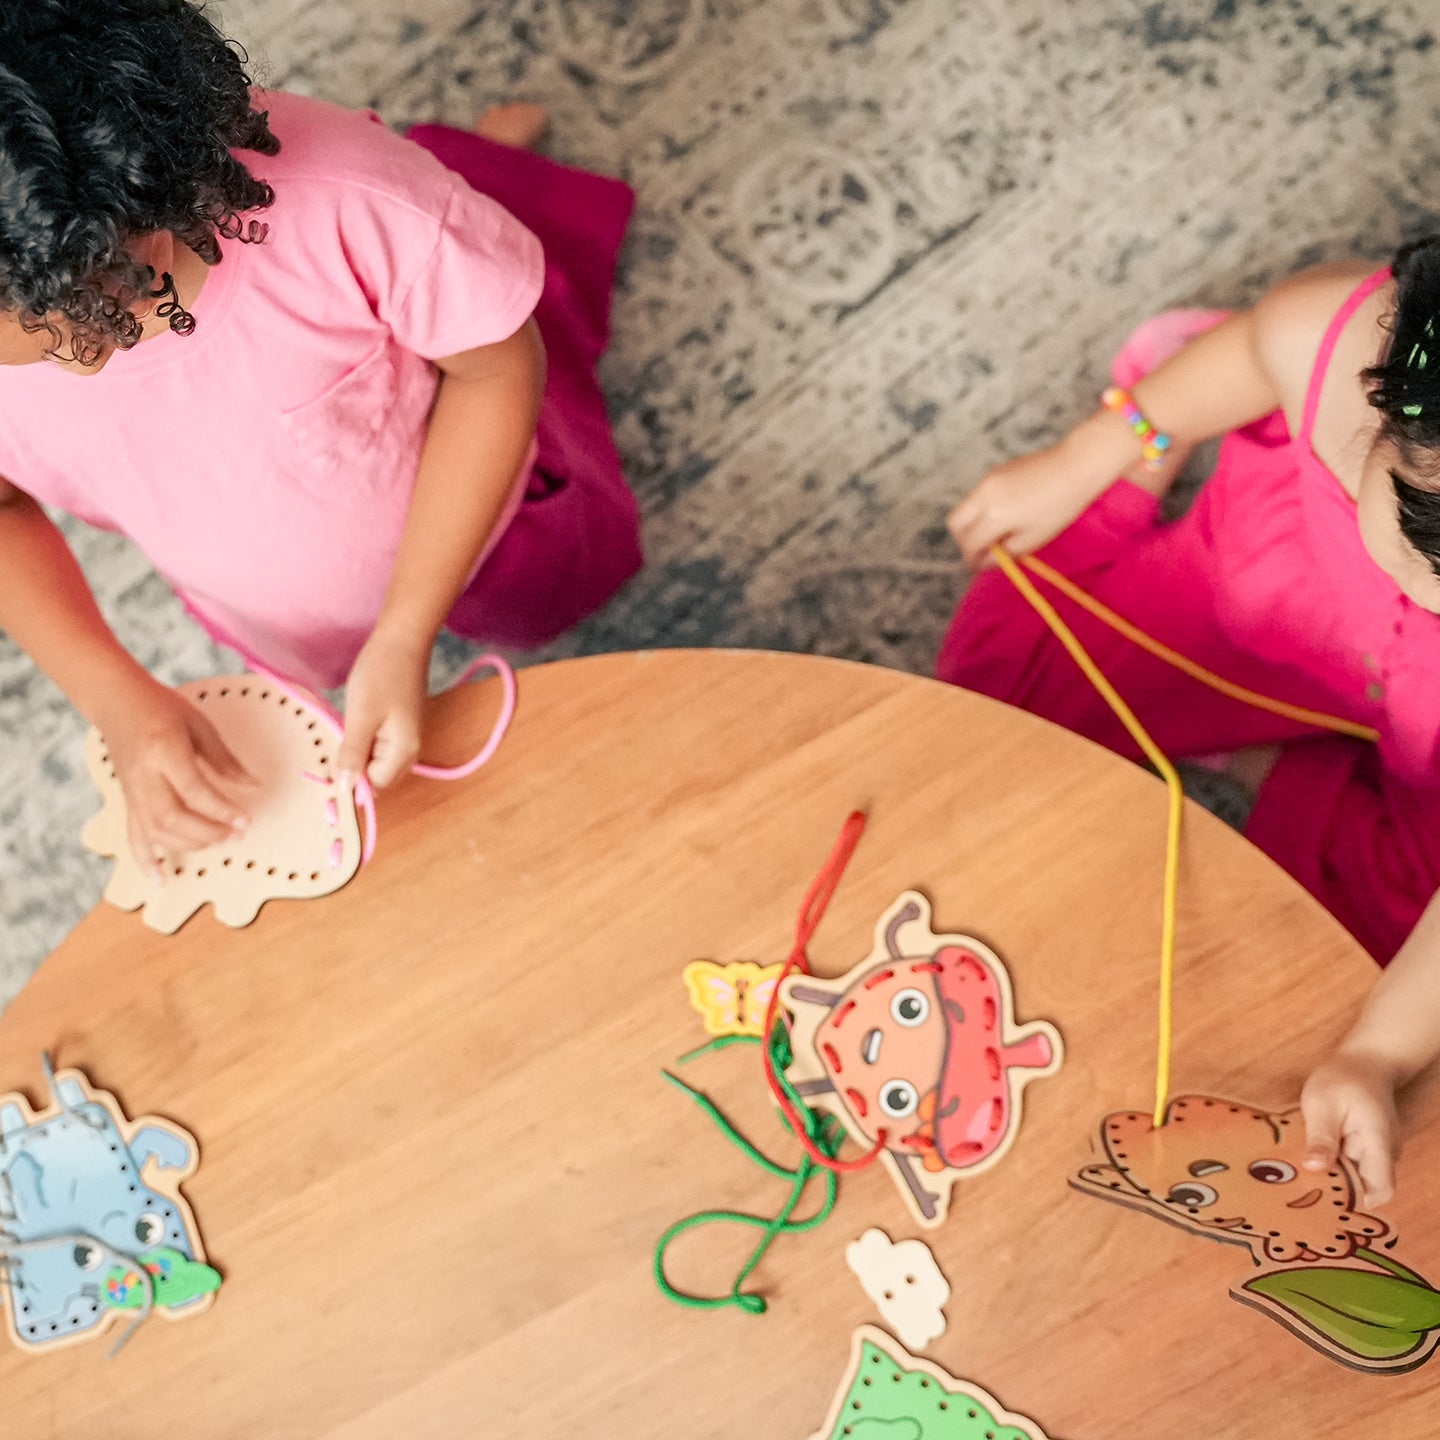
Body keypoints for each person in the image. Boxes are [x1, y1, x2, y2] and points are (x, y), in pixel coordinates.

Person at [0, 0, 640, 875]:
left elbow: (497, 369)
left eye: (55, 337)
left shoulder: (353, 199)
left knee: (555, 576)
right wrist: (116, 698)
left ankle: (489, 173)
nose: (62, 368)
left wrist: (408, 629)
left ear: (109, 261)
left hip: (487, 504)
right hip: (262, 592)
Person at [941, 238, 1440, 1206]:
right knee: (1001, 682)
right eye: (1426, 528)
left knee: (1329, 985)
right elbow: (1265, 345)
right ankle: (1289, 746)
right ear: (1385, 408)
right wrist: (1094, 453)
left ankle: (1280, 763)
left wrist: (1375, 1053)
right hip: (1285, 599)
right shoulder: (1336, 339)